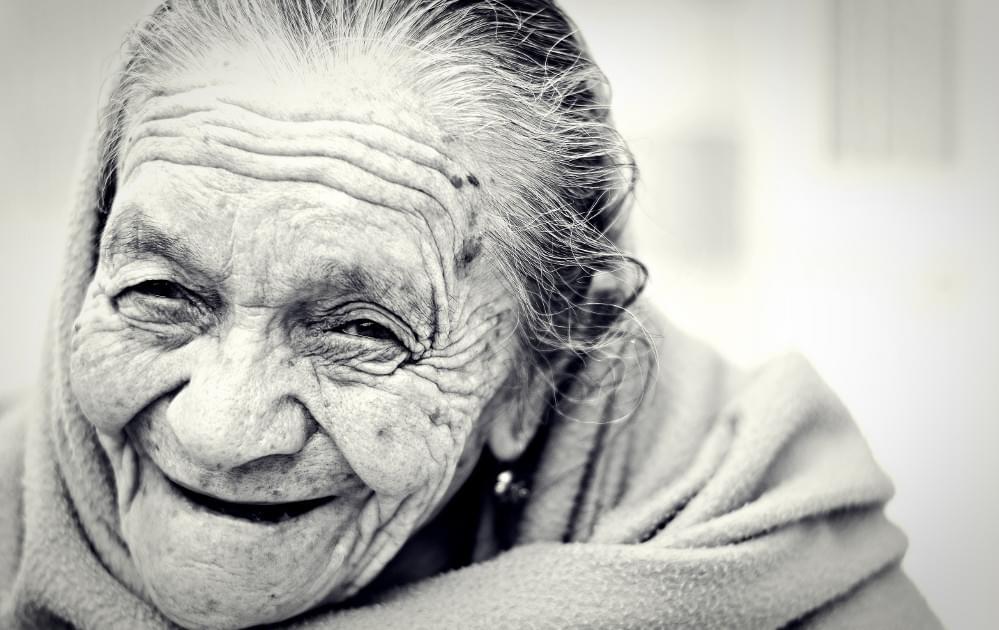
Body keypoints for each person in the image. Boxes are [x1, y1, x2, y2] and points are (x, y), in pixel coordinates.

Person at [0, 1, 941, 628]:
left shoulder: (770, 571)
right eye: (160, 294)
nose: (217, 430)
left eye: (361, 329)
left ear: (530, 377)